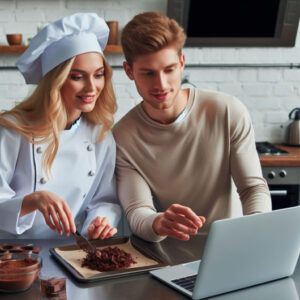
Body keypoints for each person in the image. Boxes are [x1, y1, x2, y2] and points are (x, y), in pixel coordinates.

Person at [113, 12, 272, 242]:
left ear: (181, 63)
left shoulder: (227, 111)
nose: (161, 84)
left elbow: (253, 189)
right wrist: (158, 222)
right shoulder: (124, 136)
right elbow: (138, 212)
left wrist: (254, 232)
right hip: (166, 261)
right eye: (148, 73)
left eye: (169, 69)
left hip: (231, 248)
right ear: (129, 71)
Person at [0, 13, 121, 239]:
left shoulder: (100, 134)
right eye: (77, 76)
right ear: (55, 81)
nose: (91, 87)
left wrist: (98, 222)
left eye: (99, 75)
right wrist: (33, 200)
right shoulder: (13, 131)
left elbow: (104, 200)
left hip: (69, 253)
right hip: (12, 256)